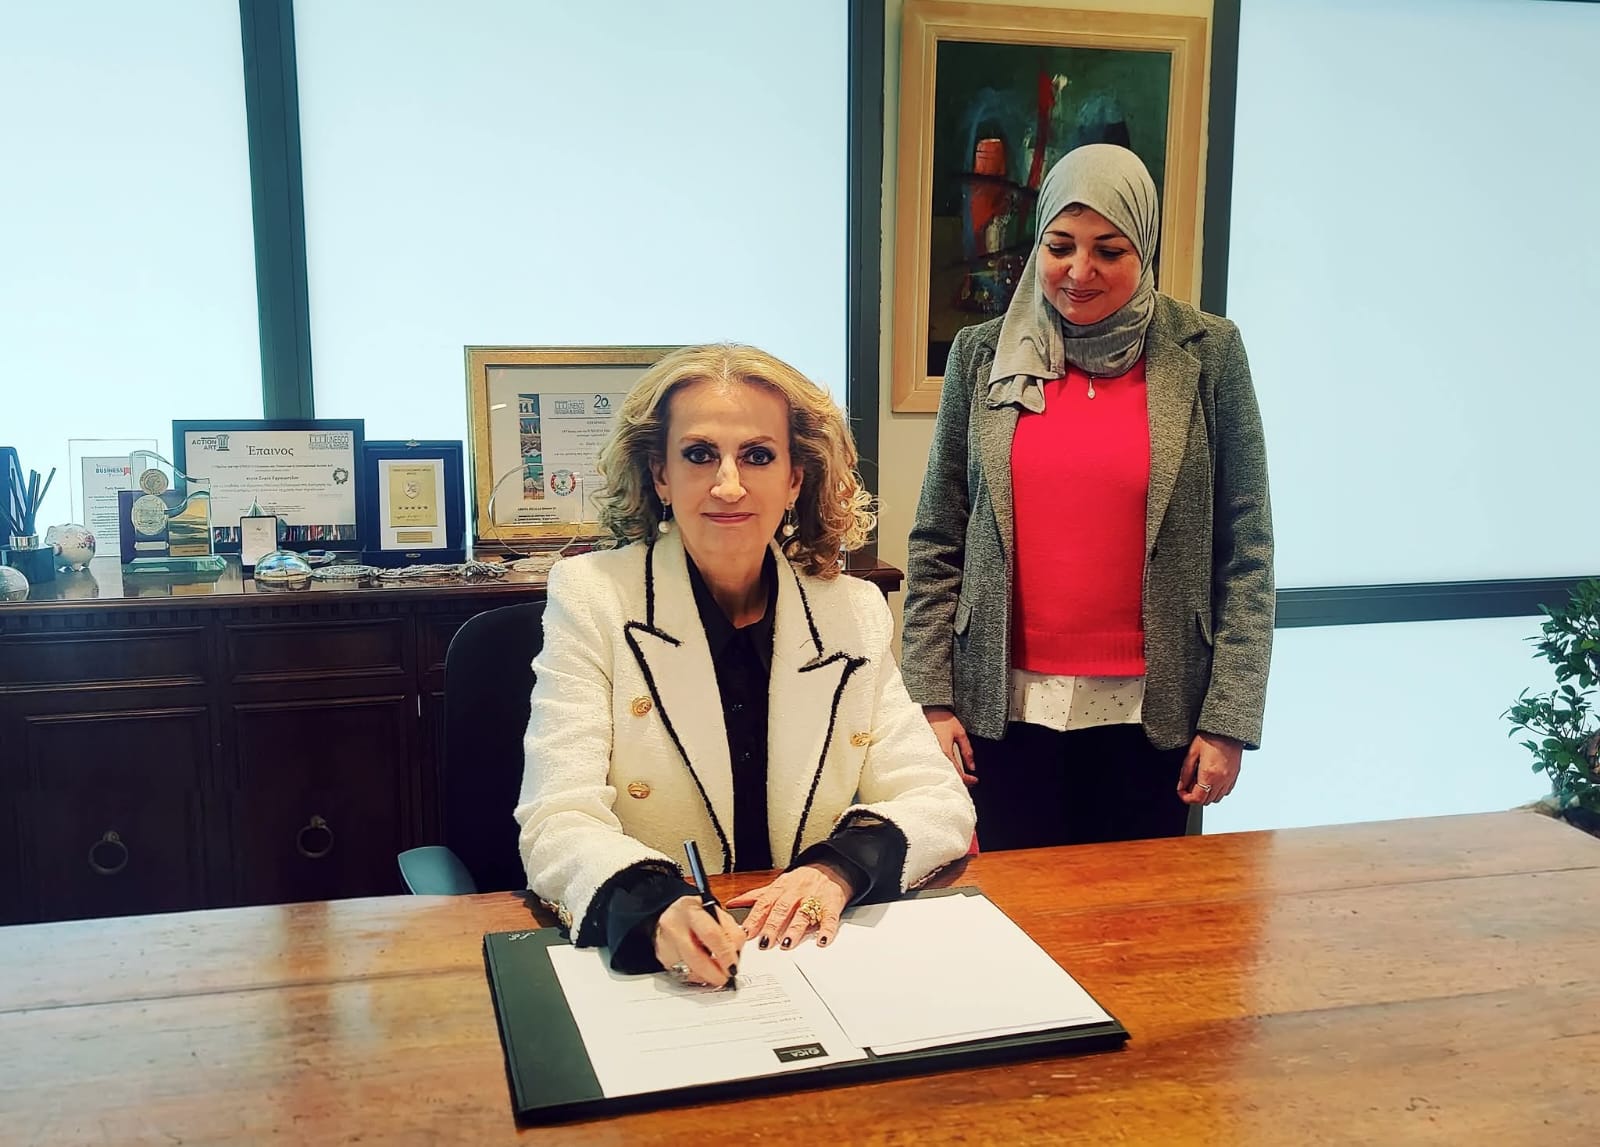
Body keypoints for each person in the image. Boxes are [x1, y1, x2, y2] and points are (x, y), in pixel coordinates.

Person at [515, 343, 976, 987]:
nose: (728, 485)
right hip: (666, 966)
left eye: (758, 456)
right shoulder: (592, 596)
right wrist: (654, 904)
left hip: (812, 952)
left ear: (795, 479)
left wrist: (836, 870)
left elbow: (936, 799)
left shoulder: (854, 611)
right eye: (699, 455)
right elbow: (557, 818)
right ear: (660, 475)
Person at [902, 143, 1274, 850]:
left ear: (1145, 247)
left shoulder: (1209, 352)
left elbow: (1247, 550)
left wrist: (1229, 720)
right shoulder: (982, 353)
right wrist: (930, 698)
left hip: (1155, 711)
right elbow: (938, 536)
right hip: (998, 707)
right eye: (1060, 246)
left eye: (1109, 250)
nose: (1079, 271)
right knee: (1011, 905)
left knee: (1136, 908)